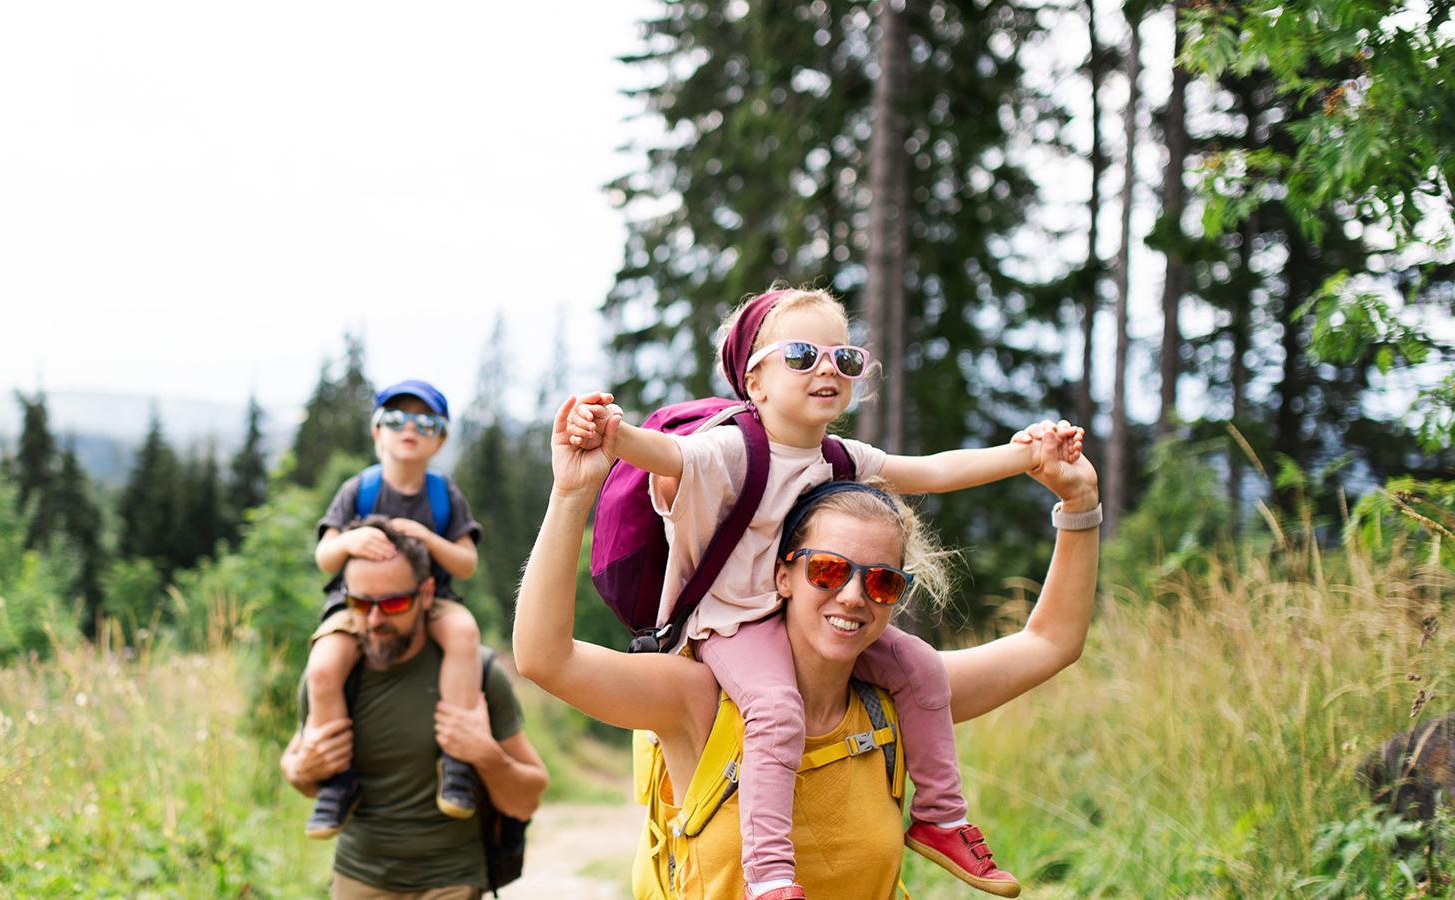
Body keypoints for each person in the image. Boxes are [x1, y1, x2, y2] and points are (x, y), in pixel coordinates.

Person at [563, 287, 1083, 897]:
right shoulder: (729, 448)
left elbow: (933, 471)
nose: (828, 370)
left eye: (846, 358)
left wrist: (1025, 457)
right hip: (732, 627)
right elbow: (664, 453)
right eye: (803, 355)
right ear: (754, 380)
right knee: (777, 708)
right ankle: (770, 875)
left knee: (919, 669)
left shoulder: (841, 457)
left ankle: (940, 818)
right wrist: (608, 433)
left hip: (793, 619)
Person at [283, 517, 549, 899]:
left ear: (426, 595)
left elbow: (528, 799)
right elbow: (295, 767)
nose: (374, 620)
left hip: (453, 882)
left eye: (392, 602)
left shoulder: (479, 676)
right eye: (360, 603)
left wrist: (485, 754)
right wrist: (302, 768)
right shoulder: (331, 678)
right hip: (356, 880)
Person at [303, 380, 489, 837]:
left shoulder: (443, 494)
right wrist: (348, 540)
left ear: (440, 439)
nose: (410, 429)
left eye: (426, 422)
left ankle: (457, 761)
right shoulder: (359, 490)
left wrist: (427, 539)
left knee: (464, 635)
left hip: (432, 599)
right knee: (324, 668)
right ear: (376, 433)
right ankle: (337, 779)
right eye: (396, 420)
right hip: (360, 603)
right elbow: (325, 556)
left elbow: (466, 563)